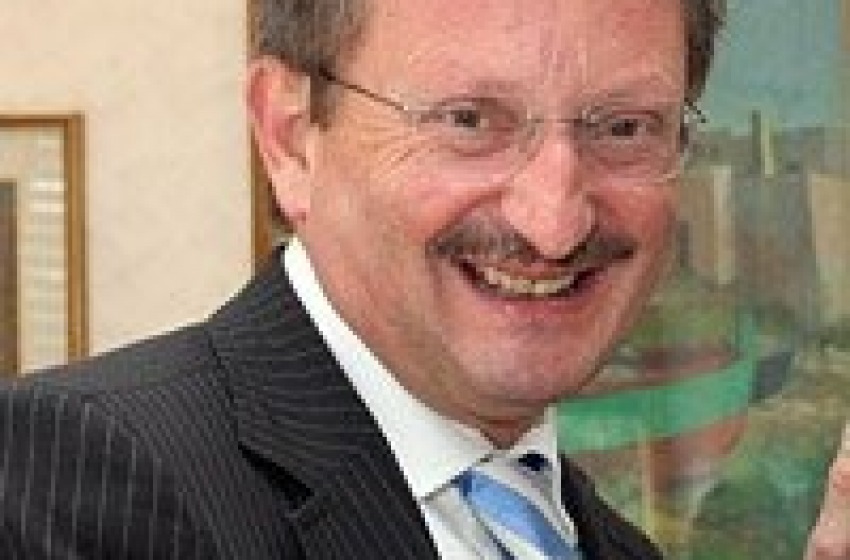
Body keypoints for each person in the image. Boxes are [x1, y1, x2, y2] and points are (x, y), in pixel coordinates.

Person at [0, 0, 847, 558]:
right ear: (290, 136)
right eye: (469, 120)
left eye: (624, 128)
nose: (554, 221)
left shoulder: (615, 548)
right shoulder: (81, 476)